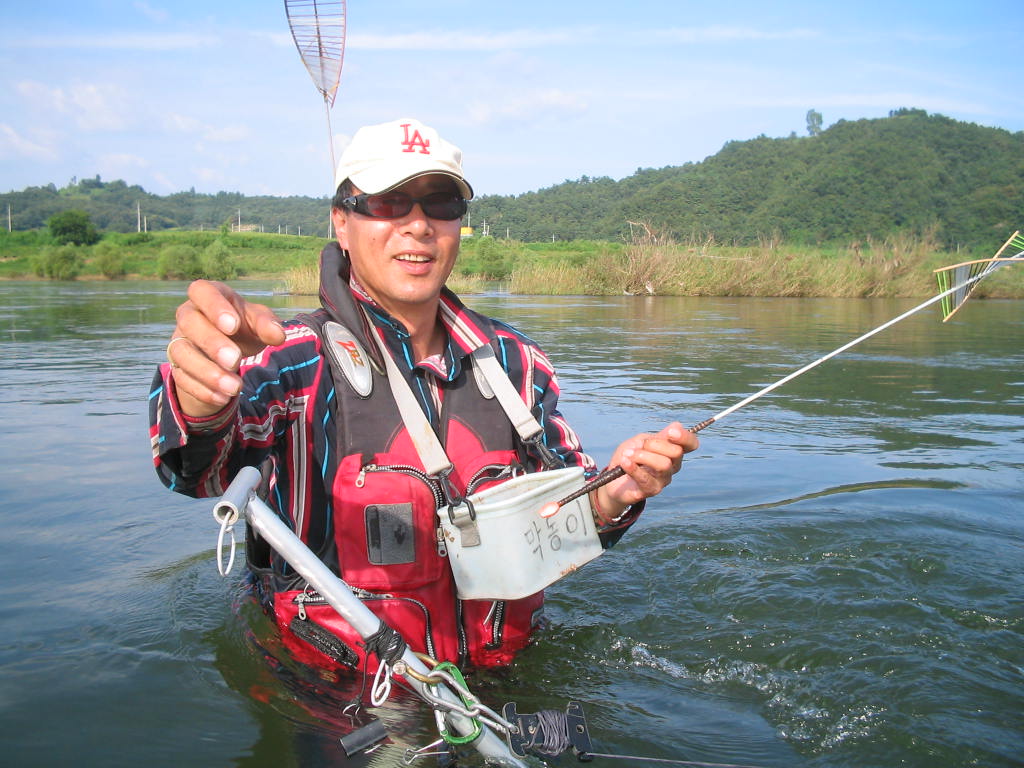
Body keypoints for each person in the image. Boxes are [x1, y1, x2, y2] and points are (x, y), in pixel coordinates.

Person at [149, 117, 698, 673]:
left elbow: (564, 524)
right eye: (389, 202)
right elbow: (196, 473)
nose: (418, 226)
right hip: (340, 694)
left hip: (502, 678)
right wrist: (200, 399)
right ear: (342, 223)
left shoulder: (518, 362)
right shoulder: (288, 360)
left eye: (440, 204)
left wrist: (617, 493)